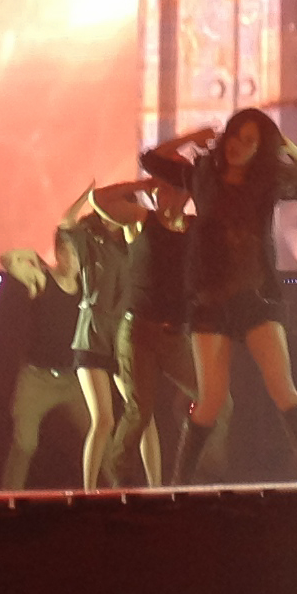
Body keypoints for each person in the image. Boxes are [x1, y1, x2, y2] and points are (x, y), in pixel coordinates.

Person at [181, 108, 297, 483]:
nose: (239, 145)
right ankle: (177, 486)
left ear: (259, 149)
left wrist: (287, 146)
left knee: (283, 388)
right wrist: (189, 139)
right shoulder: (204, 173)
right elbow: (151, 160)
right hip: (211, 299)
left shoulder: (266, 183)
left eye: (250, 141)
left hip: (256, 296)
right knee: (210, 401)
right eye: (236, 135)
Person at [106, 134, 213, 488]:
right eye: (160, 187)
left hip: (175, 335)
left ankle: (199, 469)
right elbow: (99, 200)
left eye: (171, 187)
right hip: (139, 331)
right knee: (140, 411)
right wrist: (141, 184)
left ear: (185, 193)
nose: (162, 193)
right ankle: (120, 476)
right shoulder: (141, 220)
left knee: (216, 399)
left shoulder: (195, 229)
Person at [56, 181, 145, 487]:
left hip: (123, 336)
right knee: (103, 420)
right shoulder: (90, 238)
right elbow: (65, 222)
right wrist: (87, 194)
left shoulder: (134, 243)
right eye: (106, 209)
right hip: (92, 334)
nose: (110, 216)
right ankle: (88, 490)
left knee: (141, 414)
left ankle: (158, 485)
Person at [0, 246, 96, 492]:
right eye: (69, 253)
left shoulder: (86, 287)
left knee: (101, 437)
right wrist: (32, 255)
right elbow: (8, 259)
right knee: (25, 444)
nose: (74, 260)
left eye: (78, 253)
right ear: (59, 255)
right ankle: (9, 498)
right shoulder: (42, 281)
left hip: (72, 381)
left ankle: (114, 494)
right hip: (37, 380)